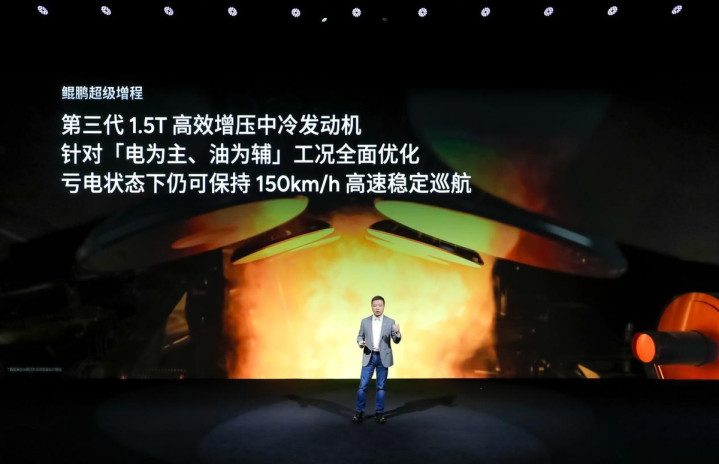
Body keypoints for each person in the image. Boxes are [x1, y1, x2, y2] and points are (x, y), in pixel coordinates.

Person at [352, 295, 401, 424]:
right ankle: (359, 412)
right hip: (369, 356)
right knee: (362, 387)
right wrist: (360, 342)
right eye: (375, 305)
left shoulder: (390, 321)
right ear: (371, 307)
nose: (377, 308)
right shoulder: (365, 321)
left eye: (380, 305)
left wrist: (397, 333)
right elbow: (360, 336)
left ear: (384, 307)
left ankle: (379, 413)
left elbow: (396, 340)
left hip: (383, 357)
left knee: (381, 387)